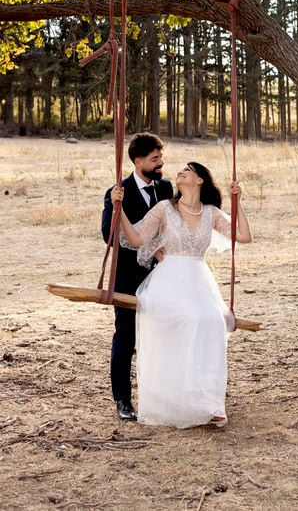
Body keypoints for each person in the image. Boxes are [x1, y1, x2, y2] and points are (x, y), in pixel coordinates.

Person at [112, 161, 252, 429]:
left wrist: (238, 202)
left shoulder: (210, 213)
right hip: (168, 280)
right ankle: (178, 398)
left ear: (200, 180)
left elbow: (243, 236)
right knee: (190, 319)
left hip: (199, 281)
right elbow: (136, 239)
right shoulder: (165, 208)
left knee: (212, 322)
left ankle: (209, 402)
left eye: (187, 170)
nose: (180, 172)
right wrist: (119, 211)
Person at [102, 133, 173, 422]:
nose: (161, 163)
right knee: (126, 338)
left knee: (164, 337)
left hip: (165, 278)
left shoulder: (166, 188)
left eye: (160, 158)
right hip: (129, 279)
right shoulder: (118, 191)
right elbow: (109, 237)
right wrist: (115, 207)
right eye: (155, 159)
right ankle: (123, 400)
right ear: (138, 161)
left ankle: (163, 397)